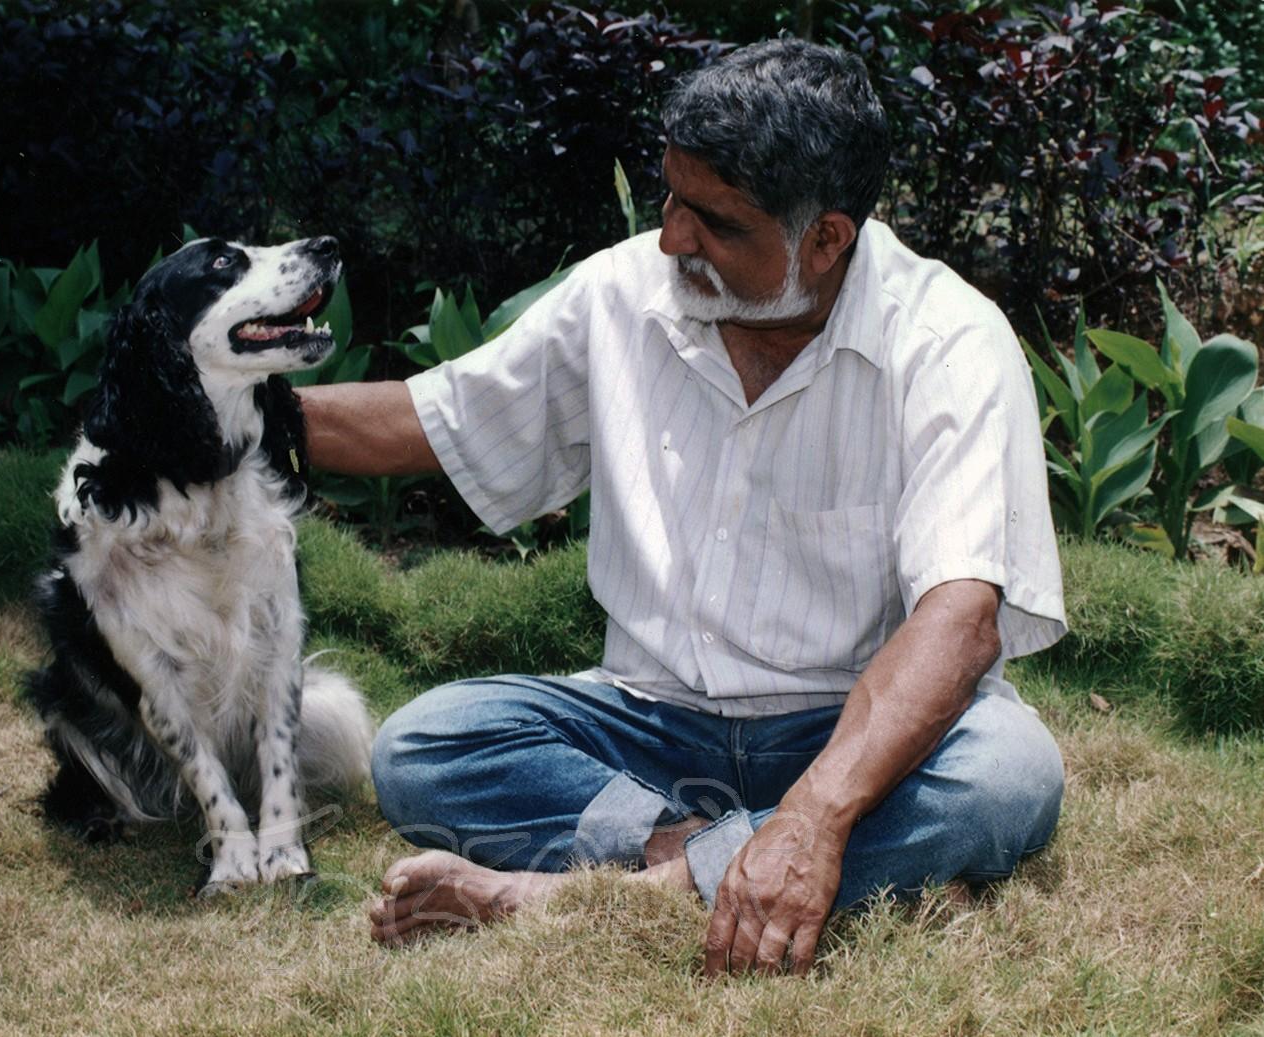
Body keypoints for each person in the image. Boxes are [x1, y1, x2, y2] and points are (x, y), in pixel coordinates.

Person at [296, 38, 1067, 976]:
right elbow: (434, 419)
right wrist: (225, 412)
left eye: (715, 221)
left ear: (825, 239)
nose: (671, 238)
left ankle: (587, 895)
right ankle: (704, 856)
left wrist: (819, 813)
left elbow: (961, 619)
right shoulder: (624, 293)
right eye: (669, 197)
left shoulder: (948, 340)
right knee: (424, 743)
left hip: (853, 736)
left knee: (1005, 775)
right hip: (648, 728)